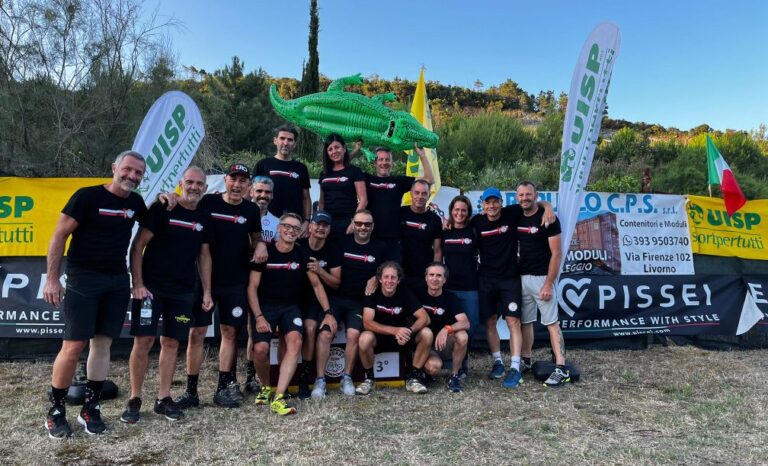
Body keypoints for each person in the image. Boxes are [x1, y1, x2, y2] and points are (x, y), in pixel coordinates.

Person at [43, 151, 148, 438]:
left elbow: (153, 223)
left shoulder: (136, 203)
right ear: (114, 167)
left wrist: (169, 198)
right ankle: (56, 411)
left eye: (138, 173)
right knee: (73, 346)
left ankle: (90, 408)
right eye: (127, 169)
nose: (132, 176)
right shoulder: (87, 196)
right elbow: (59, 236)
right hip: (83, 279)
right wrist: (52, 279)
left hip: (117, 280)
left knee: (102, 345)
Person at [171, 163, 267, 409]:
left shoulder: (251, 210)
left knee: (230, 333)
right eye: (233, 179)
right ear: (225, 180)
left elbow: (256, 236)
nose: (237, 184)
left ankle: (223, 388)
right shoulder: (208, 202)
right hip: (203, 280)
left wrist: (260, 244)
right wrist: (169, 196)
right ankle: (191, 391)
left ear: (249, 185)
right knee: (196, 333)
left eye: (242, 181)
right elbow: (185, 207)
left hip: (235, 282)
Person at [121, 166, 209, 424]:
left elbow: (204, 255)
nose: (194, 187)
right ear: (181, 183)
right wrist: (138, 283)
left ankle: (163, 398)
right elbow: (138, 246)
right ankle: (135, 398)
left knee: (171, 343)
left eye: (199, 184)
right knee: (144, 341)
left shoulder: (204, 216)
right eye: (190, 182)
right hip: (151, 289)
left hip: (183, 292)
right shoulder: (163, 207)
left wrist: (207, 291)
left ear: (205, 188)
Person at [247, 213, 336, 415]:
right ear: (279, 228)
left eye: (296, 228)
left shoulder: (303, 255)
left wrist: (328, 312)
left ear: (300, 232)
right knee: (260, 349)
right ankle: (265, 387)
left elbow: (316, 285)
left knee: (295, 342)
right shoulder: (265, 252)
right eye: (287, 226)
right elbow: (252, 287)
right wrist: (259, 316)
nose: (291, 231)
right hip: (265, 307)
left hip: (290, 307)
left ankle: (279, 397)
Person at [470, 187, 554, 389]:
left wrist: (548, 207)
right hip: (486, 279)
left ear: (501, 203)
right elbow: (458, 223)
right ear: (483, 205)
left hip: (510, 279)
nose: (492, 206)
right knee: (490, 321)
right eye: (488, 202)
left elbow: (535, 204)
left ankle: (515, 366)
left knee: (513, 321)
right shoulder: (477, 222)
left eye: (495, 202)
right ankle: (498, 362)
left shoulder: (511, 213)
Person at [312, 210, 385, 398]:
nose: (363, 227)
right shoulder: (339, 242)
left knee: (353, 334)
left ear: (373, 226)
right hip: (334, 299)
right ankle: (320, 380)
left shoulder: (379, 246)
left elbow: (389, 268)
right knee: (325, 333)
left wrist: (377, 276)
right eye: (359, 223)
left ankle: (347, 377)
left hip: (359, 303)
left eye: (367, 224)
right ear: (353, 223)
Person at [516, 181, 569, 387]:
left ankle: (561, 367)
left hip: (542, 278)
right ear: (517, 197)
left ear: (535, 195)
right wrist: (547, 204)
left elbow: (557, 254)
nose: (525, 198)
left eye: (528, 194)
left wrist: (548, 283)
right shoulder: (516, 214)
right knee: (526, 322)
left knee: (552, 324)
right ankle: (526, 360)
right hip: (522, 277)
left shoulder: (548, 218)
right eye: (521, 195)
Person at [357, 261, 432, 395]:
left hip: (402, 339)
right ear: (380, 279)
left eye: (393, 277)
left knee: (427, 334)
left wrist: (409, 332)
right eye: (386, 277)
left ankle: (413, 378)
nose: (389, 281)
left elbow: (425, 318)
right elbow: (367, 323)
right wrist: (394, 330)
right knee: (364, 338)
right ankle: (369, 379)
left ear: (398, 280)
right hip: (379, 338)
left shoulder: (405, 292)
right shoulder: (372, 293)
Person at [295, 211, 341, 398]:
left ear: (329, 229)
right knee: (306, 328)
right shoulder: (299, 245)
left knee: (312, 327)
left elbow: (336, 283)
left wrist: (321, 271)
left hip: (323, 299)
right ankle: (299, 377)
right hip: (298, 298)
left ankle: (308, 377)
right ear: (310, 226)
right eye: (318, 224)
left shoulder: (333, 249)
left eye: (325, 225)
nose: (321, 228)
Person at [363, 145, 433, 260]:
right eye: (380, 159)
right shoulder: (367, 179)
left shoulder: (399, 181)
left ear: (392, 163)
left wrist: (422, 156)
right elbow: (344, 169)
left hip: (393, 241)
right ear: (375, 163)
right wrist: (356, 150)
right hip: (371, 238)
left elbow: (429, 180)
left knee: (393, 270)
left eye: (387, 159)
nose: (384, 162)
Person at [441, 195, 479, 378]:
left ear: (468, 212)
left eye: (463, 210)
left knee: (471, 326)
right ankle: (449, 361)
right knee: (451, 326)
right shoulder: (444, 231)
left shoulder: (474, 231)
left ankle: (463, 362)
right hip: (448, 287)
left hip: (470, 287)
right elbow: (438, 255)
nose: (460, 213)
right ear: (451, 211)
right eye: (456, 209)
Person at [418, 262, 470, 393]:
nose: (434, 279)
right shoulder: (417, 295)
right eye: (431, 275)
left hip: (442, 345)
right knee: (434, 367)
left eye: (439, 276)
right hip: (423, 346)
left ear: (444, 280)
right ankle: (421, 372)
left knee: (462, 335)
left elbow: (465, 323)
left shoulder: (450, 298)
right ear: (426, 278)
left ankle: (454, 376)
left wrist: (446, 329)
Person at [253, 124, 312, 232]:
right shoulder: (263, 165)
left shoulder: (301, 168)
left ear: (294, 144)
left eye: (290, 140)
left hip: (294, 226)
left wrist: (307, 221)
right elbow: (251, 192)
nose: (285, 143)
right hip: (266, 224)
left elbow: (306, 198)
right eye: (282, 138)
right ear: (275, 140)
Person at [318, 133, 367, 235]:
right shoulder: (324, 174)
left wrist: (354, 222)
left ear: (344, 148)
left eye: (337, 147)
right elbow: (321, 202)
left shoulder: (355, 171)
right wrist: (321, 222)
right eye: (330, 149)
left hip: (348, 223)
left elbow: (363, 200)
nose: (334, 151)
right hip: (327, 224)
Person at [399, 179, 443, 289]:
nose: (420, 196)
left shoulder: (435, 219)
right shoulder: (400, 213)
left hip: (423, 274)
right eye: (417, 192)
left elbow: (437, 251)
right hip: (400, 273)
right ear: (411, 193)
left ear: (429, 195)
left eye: (424, 193)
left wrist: (435, 274)